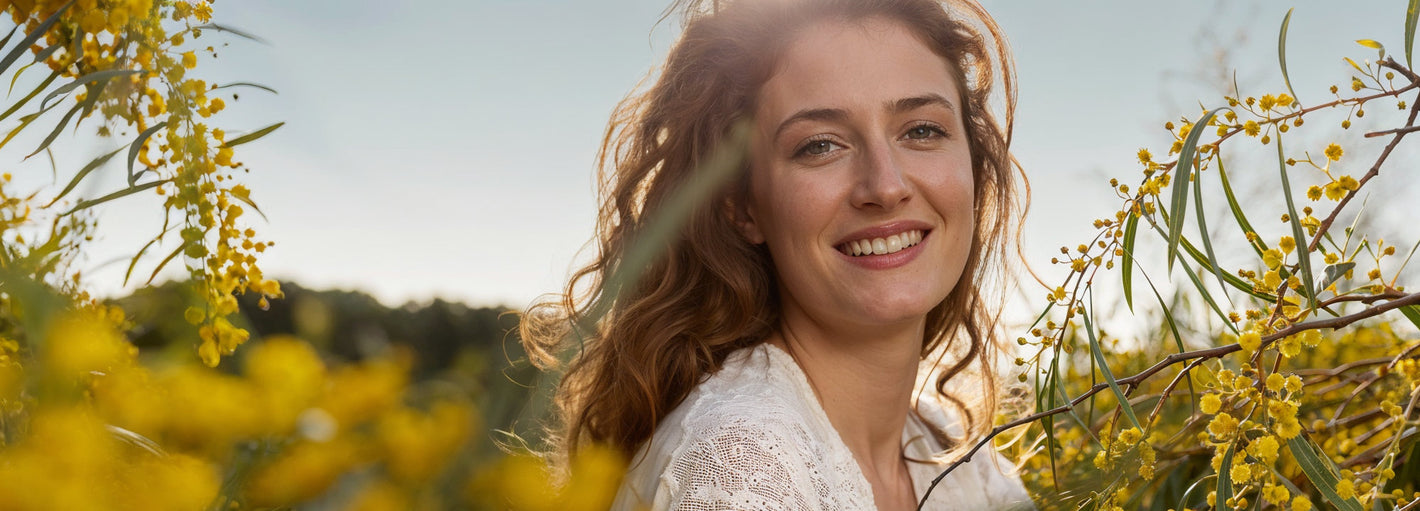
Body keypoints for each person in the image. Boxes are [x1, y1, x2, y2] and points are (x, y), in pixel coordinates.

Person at [521, 0, 1035, 509]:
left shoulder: (950, 450)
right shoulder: (739, 467)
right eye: (820, 145)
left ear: (974, 165)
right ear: (743, 205)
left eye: (922, 130)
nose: (885, 186)